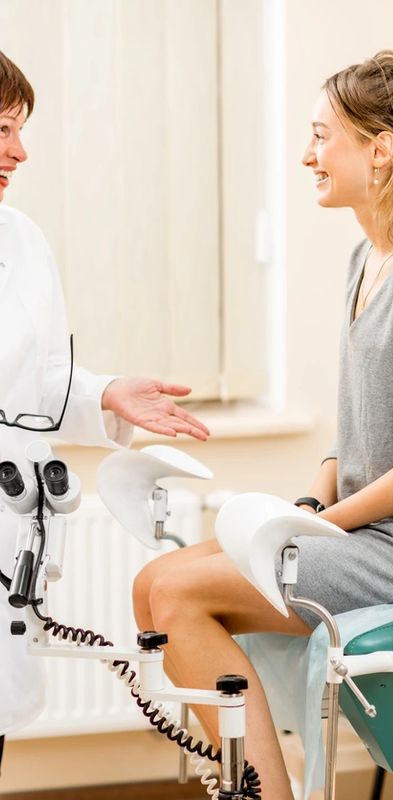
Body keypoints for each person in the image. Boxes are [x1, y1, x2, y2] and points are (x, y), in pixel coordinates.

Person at [134, 50, 393, 799]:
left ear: (380, 151)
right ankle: (249, 785)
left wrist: (321, 530)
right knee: (153, 583)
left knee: (180, 597)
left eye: (322, 136)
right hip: (378, 536)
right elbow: (358, 436)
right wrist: (305, 509)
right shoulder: (368, 256)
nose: (306, 155)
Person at [0, 50, 210, 757]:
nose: (20, 151)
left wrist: (105, 394)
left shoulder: (22, 241)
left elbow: (36, 385)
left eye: (21, 129)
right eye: (2, 129)